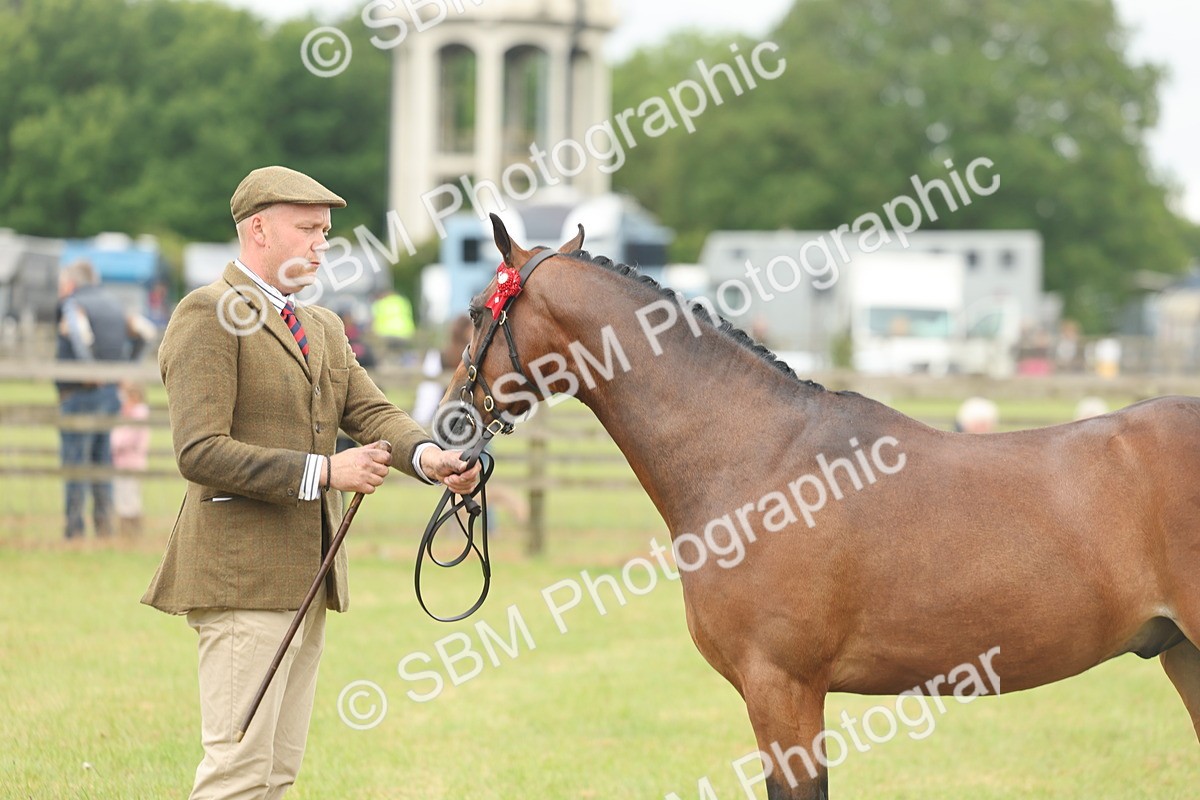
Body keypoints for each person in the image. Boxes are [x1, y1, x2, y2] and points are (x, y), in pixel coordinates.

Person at [141, 165, 481, 800]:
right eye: (308, 229)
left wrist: (429, 456)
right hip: (241, 578)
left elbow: (372, 412)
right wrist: (326, 470)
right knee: (238, 774)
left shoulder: (321, 324)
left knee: (276, 774)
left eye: (326, 231)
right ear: (259, 230)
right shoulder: (208, 314)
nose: (323, 244)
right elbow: (200, 450)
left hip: (307, 576)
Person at [56, 259, 149, 539]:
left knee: (76, 464)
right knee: (102, 461)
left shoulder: (74, 304)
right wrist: (124, 369)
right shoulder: (115, 304)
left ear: (71, 283)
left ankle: (75, 531)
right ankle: (104, 527)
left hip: (79, 395)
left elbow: (78, 334)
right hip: (109, 396)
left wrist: (90, 369)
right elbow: (144, 333)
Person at [111, 381, 151, 537]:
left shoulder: (138, 414)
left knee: (129, 497)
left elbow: (125, 438)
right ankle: (128, 531)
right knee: (125, 496)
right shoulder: (129, 413)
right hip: (125, 461)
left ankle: (130, 531)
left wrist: (114, 443)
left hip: (130, 462)